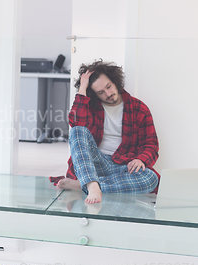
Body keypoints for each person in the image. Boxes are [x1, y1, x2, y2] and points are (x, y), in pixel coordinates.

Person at [50, 60, 160, 204]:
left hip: (123, 166)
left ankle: (85, 184)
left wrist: (141, 159)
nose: (108, 94)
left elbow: (151, 144)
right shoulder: (91, 107)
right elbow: (76, 123)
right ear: (95, 94)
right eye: (101, 92)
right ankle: (91, 184)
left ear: (115, 81)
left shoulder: (139, 108)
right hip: (95, 163)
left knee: (150, 179)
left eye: (109, 87)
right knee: (77, 130)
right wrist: (82, 89)